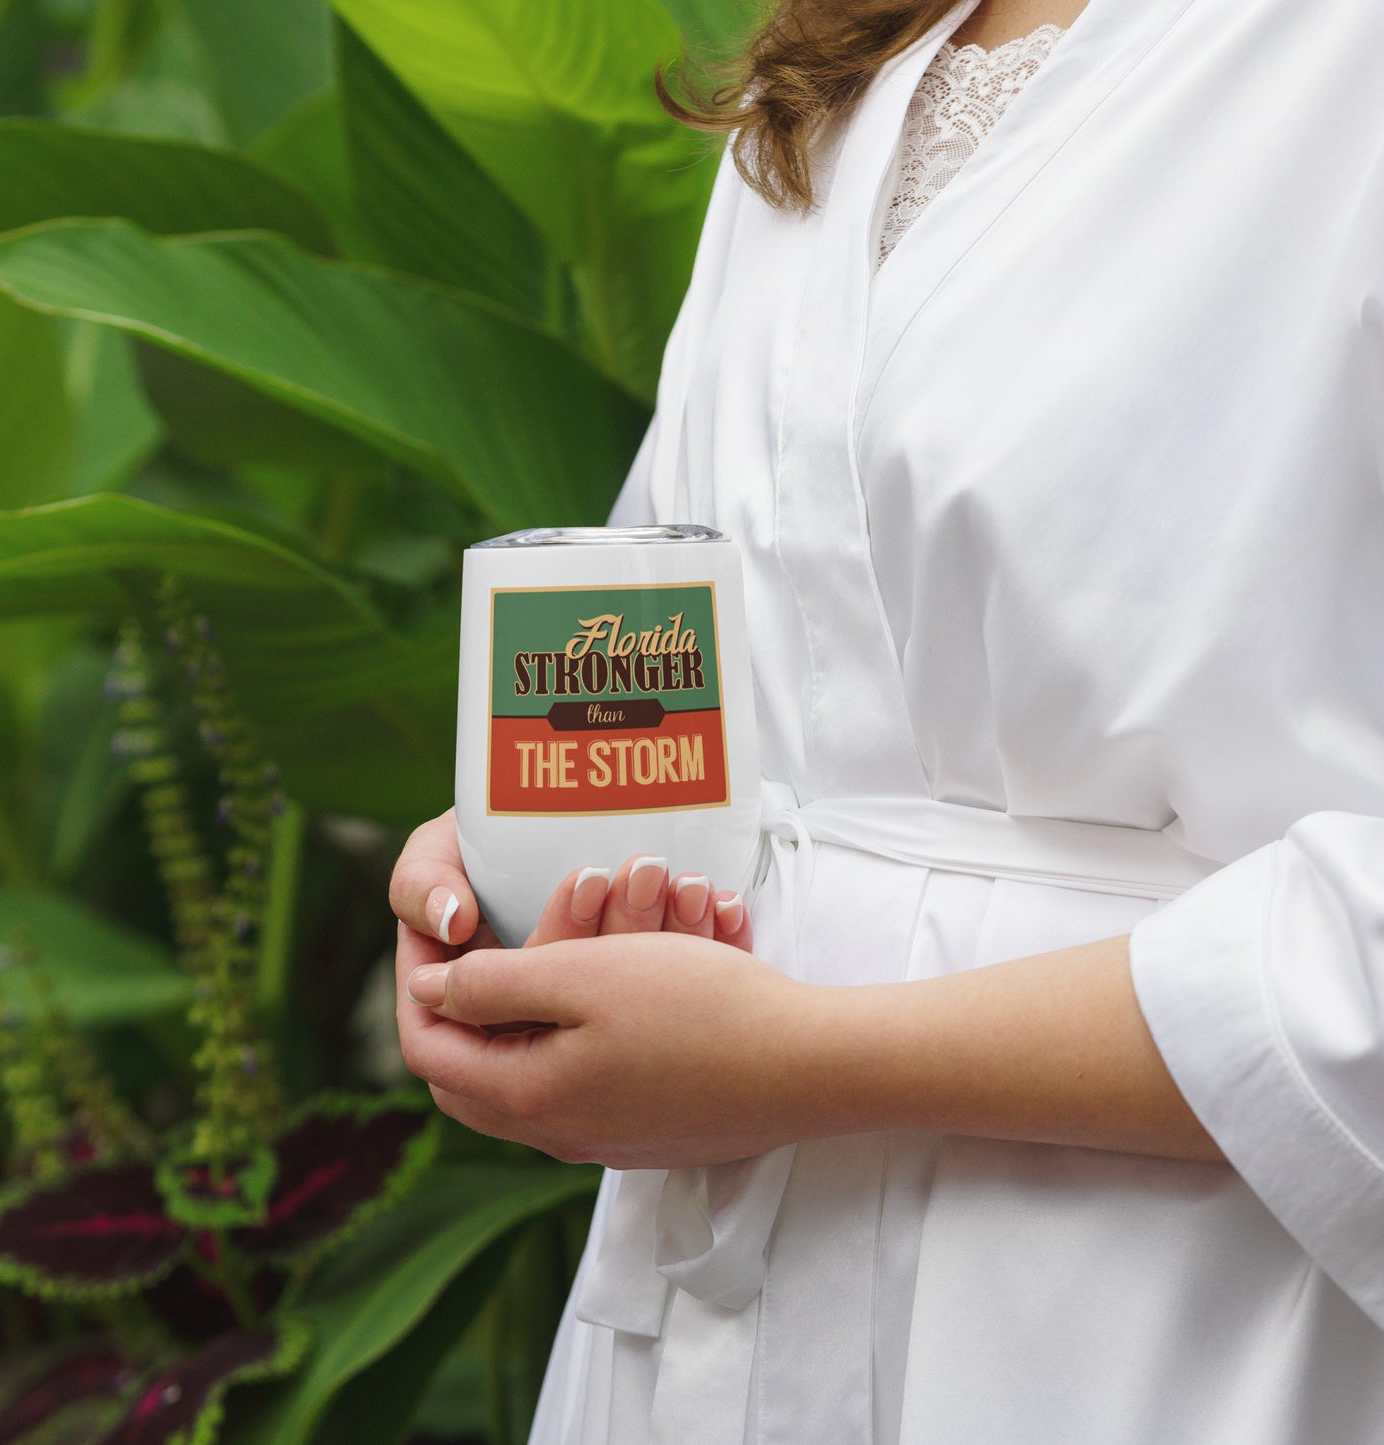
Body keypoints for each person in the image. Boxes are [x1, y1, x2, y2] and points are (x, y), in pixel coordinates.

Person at [390, 0, 1384, 1439]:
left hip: (1173, 1316)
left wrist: (804, 1058)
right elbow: (726, 640)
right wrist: (526, 854)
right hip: (718, 1312)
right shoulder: (841, 57)